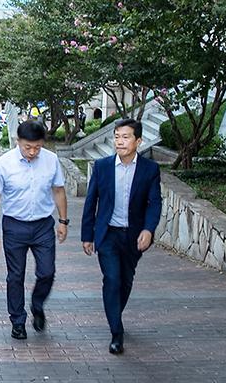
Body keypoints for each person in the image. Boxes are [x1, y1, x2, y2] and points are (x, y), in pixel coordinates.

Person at [80, 118, 162, 355]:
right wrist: (88, 235)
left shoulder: (149, 170)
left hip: (134, 237)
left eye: (125, 137)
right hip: (107, 235)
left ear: (138, 141)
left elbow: (154, 203)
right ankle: (117, 332)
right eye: (117, 136)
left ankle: (115, 313)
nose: (120, 141)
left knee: (125, 281)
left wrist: (148, 229)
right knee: (113, 279)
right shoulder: (102, 166)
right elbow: (90, 202)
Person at [0, 120, 68, 340]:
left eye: (37, 147)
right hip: (14, 226)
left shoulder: (51, 160)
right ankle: (17, 320)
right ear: (18, 141)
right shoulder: (4, 164)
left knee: (47, 271)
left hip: (42, 225)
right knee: (15, 275)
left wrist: (63, 221)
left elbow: (58, 190)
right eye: (27, 147)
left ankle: (37, 305)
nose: (32, 152)